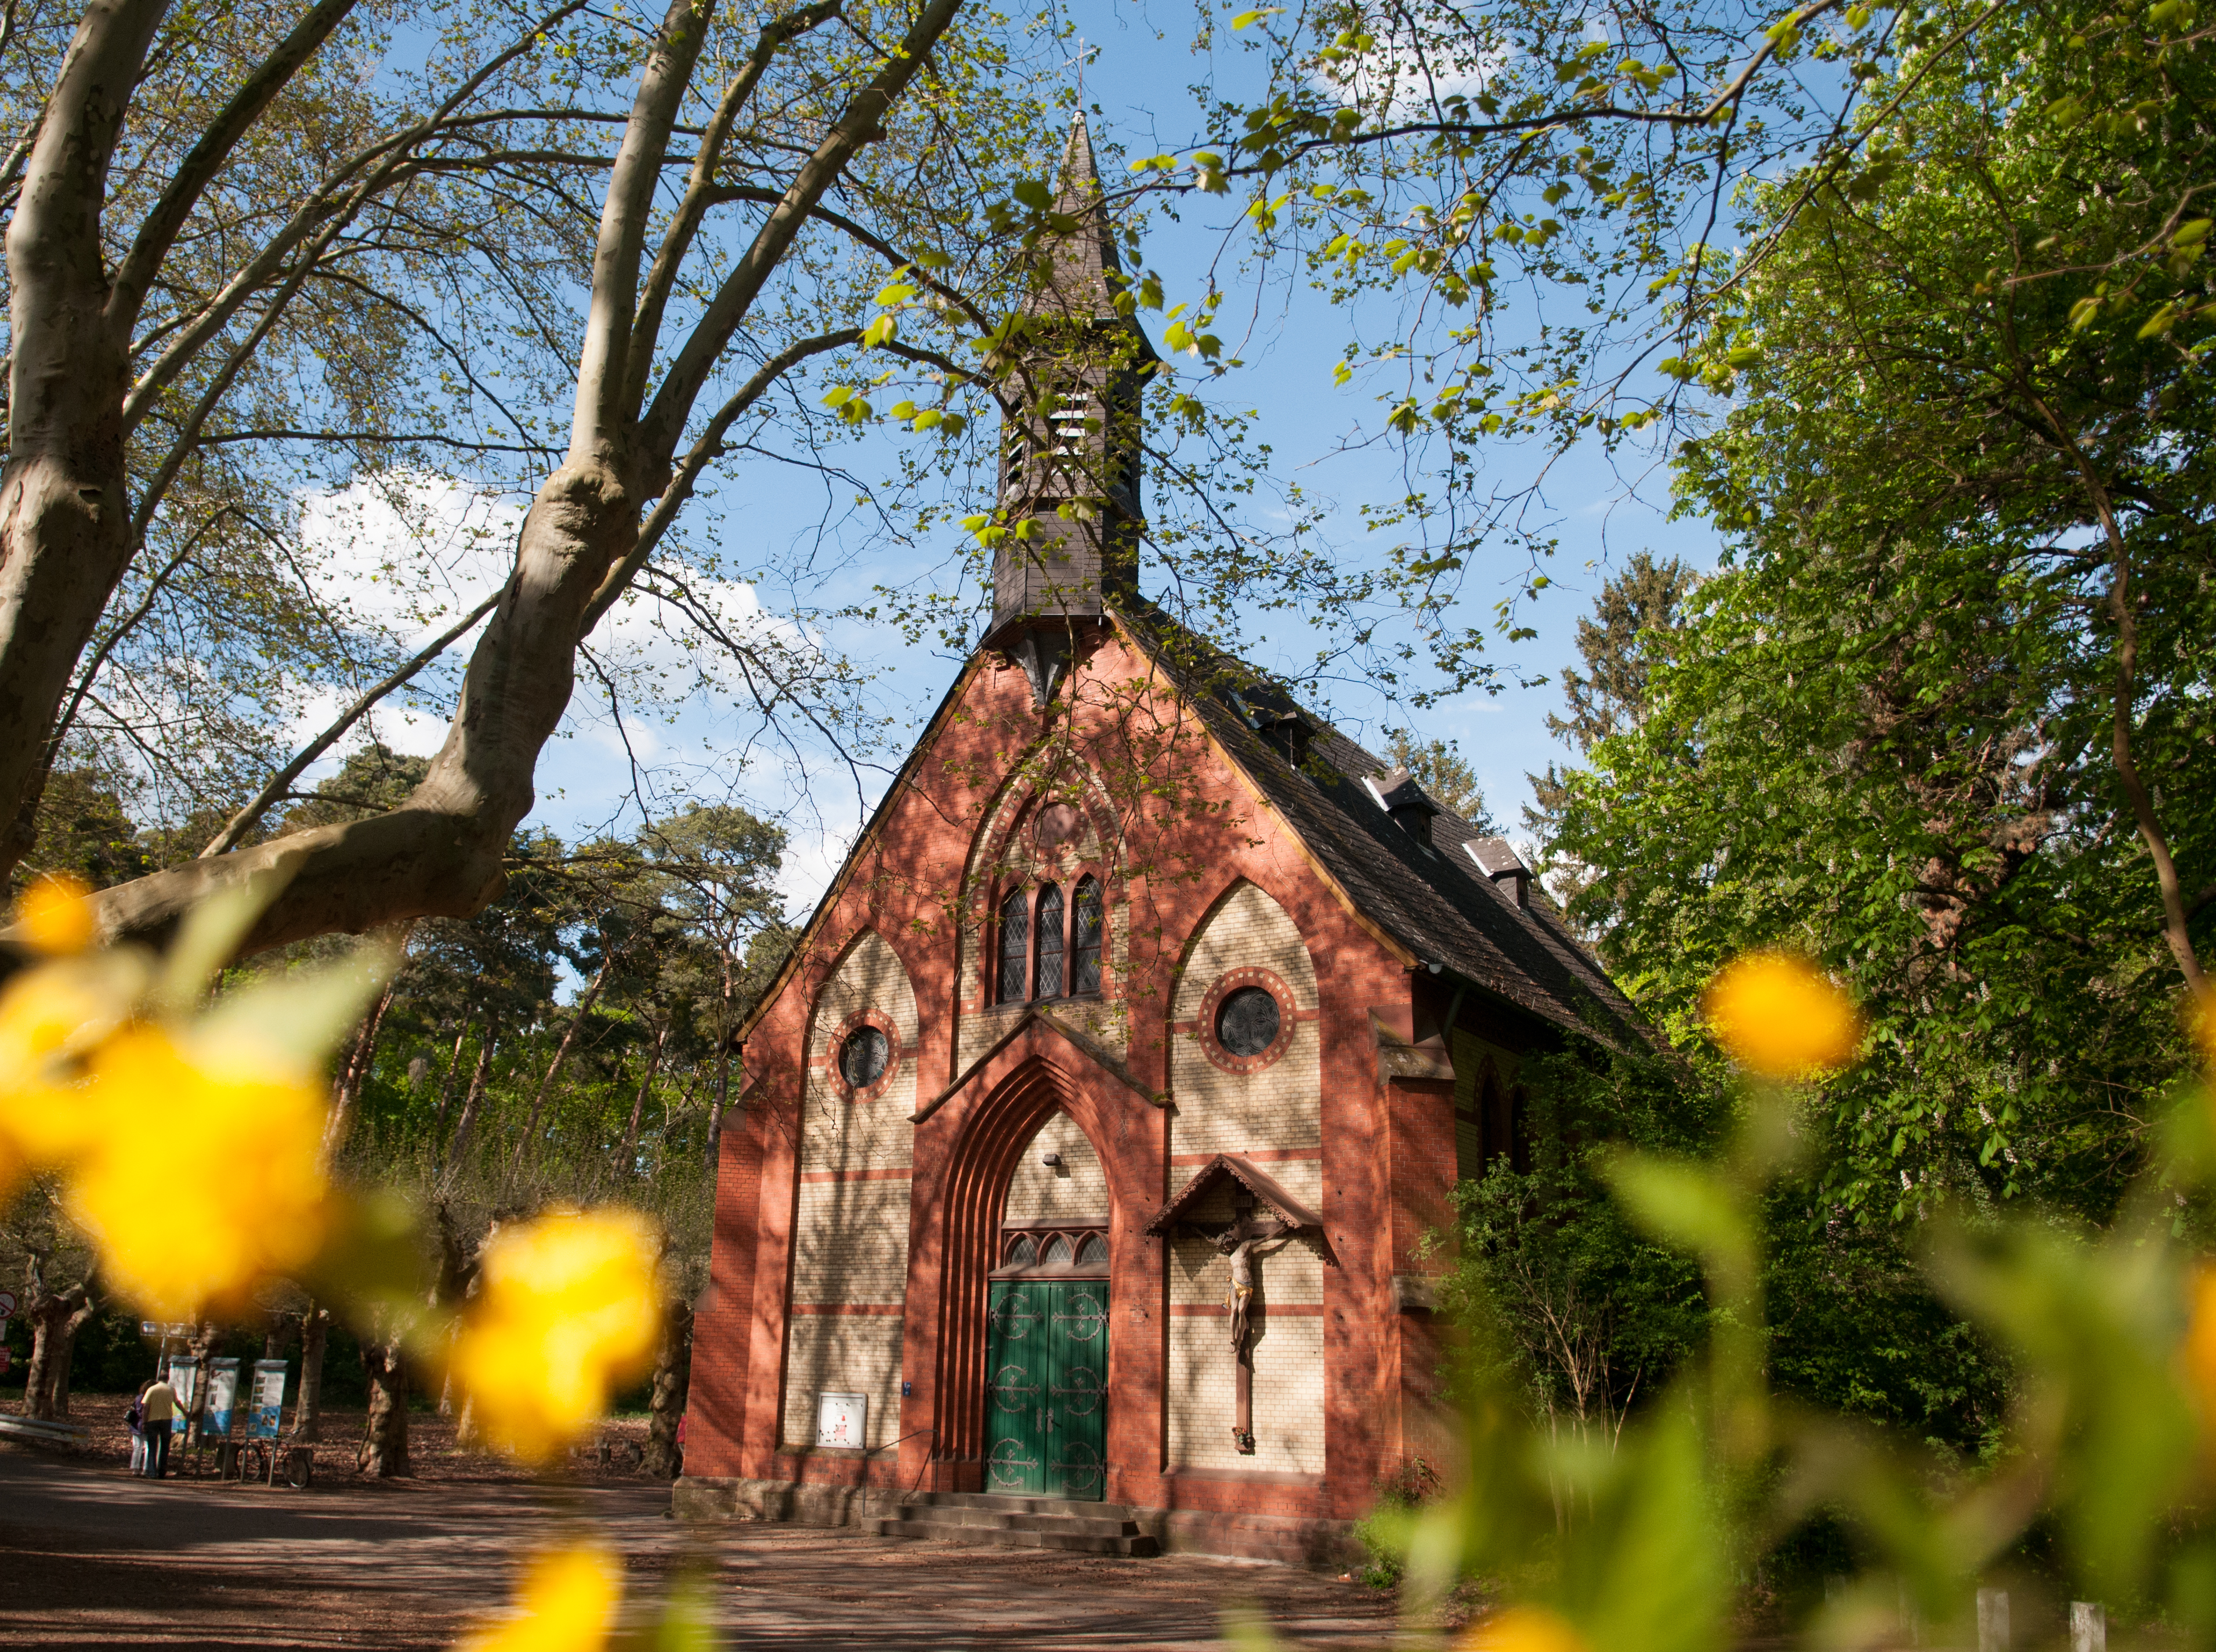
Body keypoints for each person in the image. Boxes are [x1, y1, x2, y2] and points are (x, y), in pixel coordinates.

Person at [139, 1370, 180, 1479]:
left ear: (158, 1379)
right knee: (165, 1447)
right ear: (168, 1379)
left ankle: (152, 1472)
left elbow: (146, 1407)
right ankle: (162, 1472)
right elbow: (177, 1403)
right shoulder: (171, 1390)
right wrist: (185, 1412)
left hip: (153, 1420)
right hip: (167, 1420)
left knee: (152, 1446)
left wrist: (144, 1422)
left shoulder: (152, 1390)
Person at [126, 1383, 147, 1475]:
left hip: (136, 1424)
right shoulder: (148, 1398)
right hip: (146, 1424)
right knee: (148, 1447)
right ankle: (146, 1468)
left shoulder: (138, 1398)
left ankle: (135, 1468)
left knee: (137, 1447)